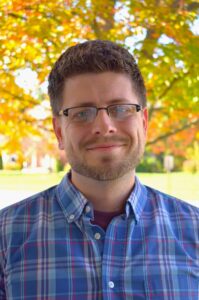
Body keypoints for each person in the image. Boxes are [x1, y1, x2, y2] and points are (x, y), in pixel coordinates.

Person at [0, 40, 198, 300]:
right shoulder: (6, 236)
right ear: (59, 131)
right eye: (82, 113)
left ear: (144, 122)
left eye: (121, 109)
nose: (104, 127)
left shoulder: (194, 231)